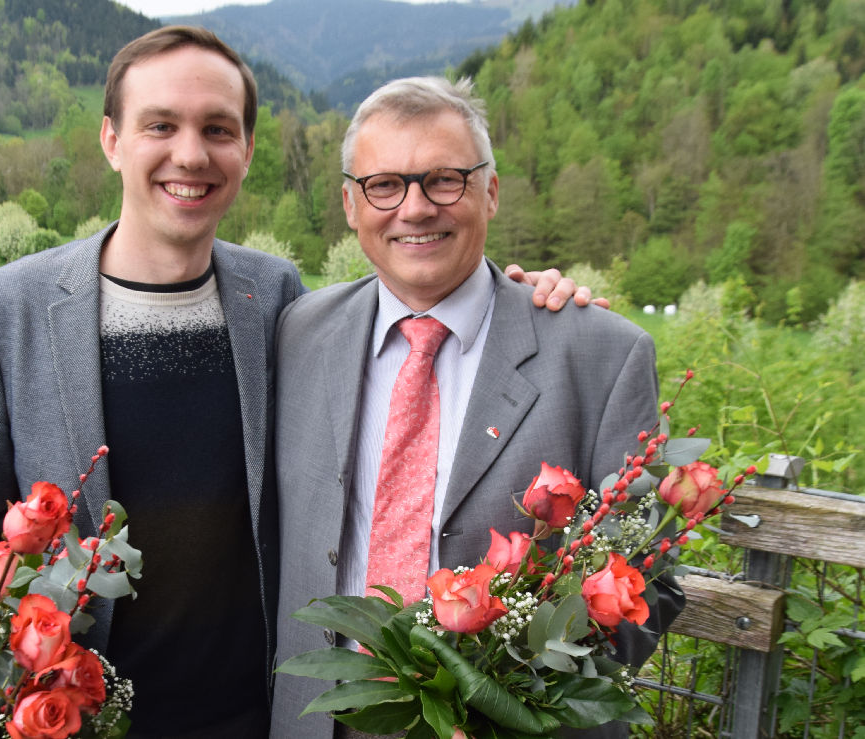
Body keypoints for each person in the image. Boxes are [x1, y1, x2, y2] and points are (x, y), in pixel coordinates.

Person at [0, 26, 597, 739]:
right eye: (161, 125)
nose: (191, 153)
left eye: (217, 128)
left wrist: (521, 305)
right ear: (112, 139)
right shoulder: (10, 309)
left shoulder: (276, 299)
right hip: (78, 716)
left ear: (245, 151)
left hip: (258, 715)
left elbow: (416, 293)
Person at [269, 76, 682, 739]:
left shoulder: (601, 354)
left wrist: (522, 687)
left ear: (489, 191)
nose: (415, 208)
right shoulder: (297, 332)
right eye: (384, 185)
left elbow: (653, 584)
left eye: (444, 180)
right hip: (320, 720)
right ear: (350, 204)